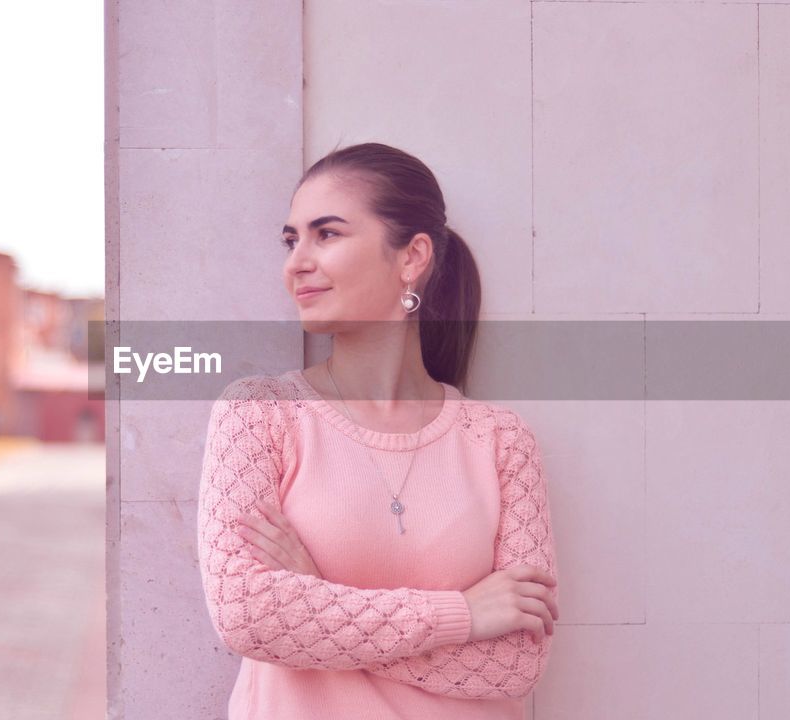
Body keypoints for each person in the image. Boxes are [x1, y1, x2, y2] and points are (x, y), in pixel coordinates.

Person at [197, 142, 560, 720]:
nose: (296, 262)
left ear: (412, 257)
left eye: (328, 234)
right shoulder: (259, 413)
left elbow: (514, 664)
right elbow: (247, 614)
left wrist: (316, 599)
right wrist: (462, 616)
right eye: (292, 239)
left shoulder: (500, 440)